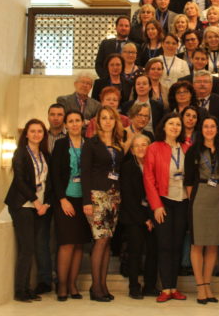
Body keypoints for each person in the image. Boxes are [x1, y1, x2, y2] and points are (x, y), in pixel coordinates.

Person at [143, 113, 190, 303]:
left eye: (178, 124)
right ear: (164, 126)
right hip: (163, 201)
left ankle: (174, 287)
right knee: (164, 245)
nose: (175, 127)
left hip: (183, 201)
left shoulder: (187, 147)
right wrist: (156, 206)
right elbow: (148, 178)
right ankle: (165, 288)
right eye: (171, 123)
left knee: (177, 245)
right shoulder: (154, 148)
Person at [4, 119, 52, 302]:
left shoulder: (45, 155)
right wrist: (35, 202)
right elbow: (20, 181)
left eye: (40, 131)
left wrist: (45, 203)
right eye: (32, 131)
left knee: (32, 248)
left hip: (39, 207)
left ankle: (27, 288)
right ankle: (20, 290)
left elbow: (48, 182)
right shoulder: (21, 153)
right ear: (26, 134)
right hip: (23, 204)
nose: (36, 134)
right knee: (27, 248)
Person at [81, 106, 125, 302]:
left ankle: (103, 285)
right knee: (100, 240)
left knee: (107, 241)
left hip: (114, 197)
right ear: (98, 122)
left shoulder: (117, 144)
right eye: (104, 118)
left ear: (116, 121)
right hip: (97, 196)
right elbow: (85, 174)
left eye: (111, 118)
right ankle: (95, 287)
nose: (107, 121)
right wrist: (86, 201)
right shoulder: (91, 144)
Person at [184, 115, 219, 304]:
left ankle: (208, 284)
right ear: (201, 130)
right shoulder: (193, 151)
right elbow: (188, 180)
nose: (209, 129)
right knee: (198, 243)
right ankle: (200, 286)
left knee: (213, 244)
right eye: (206, 126)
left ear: (217, 129)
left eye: (213, 126)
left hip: (218, 198)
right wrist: (193, 200)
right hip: (200, 198)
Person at [50, 111, 91, 301]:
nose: (74, 124)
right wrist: (62, 199)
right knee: (67, 243)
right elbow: (55, 175)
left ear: (83, 123)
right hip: (65, 199)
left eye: (77, 121)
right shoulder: (60, 145)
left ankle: (73, 284)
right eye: (71, 121)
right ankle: (62, 285)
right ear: (65, 125)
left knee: (79, 244)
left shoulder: (89, 144)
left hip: (84, 201)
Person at [119, 133, 158, 299]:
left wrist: (151, 216)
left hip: (153, 214)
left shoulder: (155, 165)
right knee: (135, 251)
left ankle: (150, 286)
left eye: (144, 145)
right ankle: (134, 286)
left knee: (153, 251)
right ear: (132, 150)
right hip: (133, 215)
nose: (141, 148)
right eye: (137, 146)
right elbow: (128, 197)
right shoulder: (127, 167)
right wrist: (144, 218)